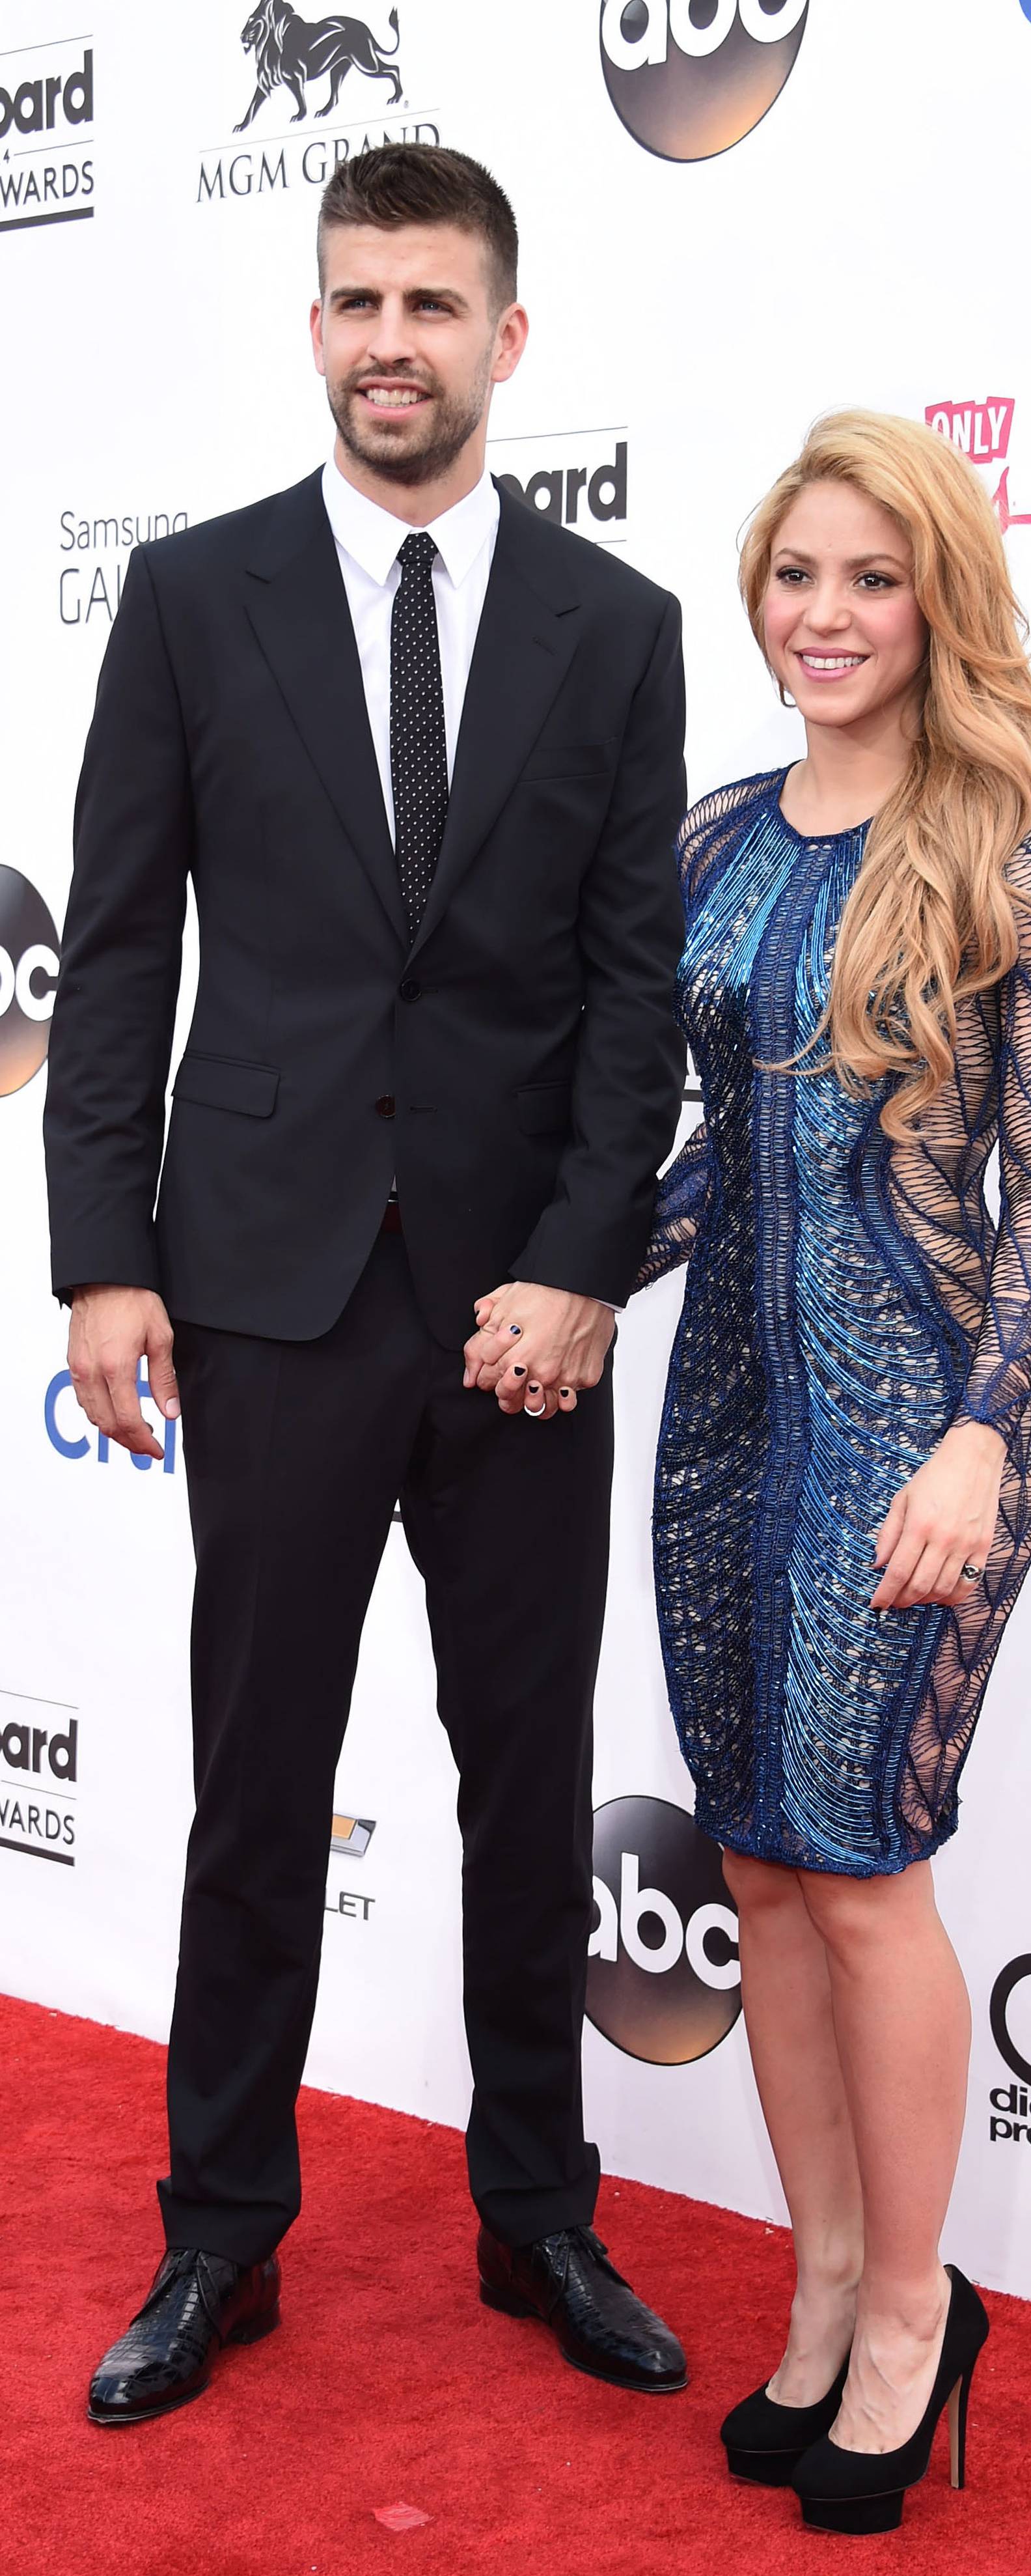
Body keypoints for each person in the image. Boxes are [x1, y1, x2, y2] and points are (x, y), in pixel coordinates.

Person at [45, 143, 690, 2425]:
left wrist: (585, 1269)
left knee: (528, 1781)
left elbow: (638, 1000)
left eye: (434, 304)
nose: (392, 342)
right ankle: (219, 2235)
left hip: (523, 1318)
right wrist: (103, 1263)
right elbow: (114, 950)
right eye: (356, 302)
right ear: (314, 330)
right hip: (269, 1294)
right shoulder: (197, 600)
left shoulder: (618, 628)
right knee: (256, 1779)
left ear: (509, 339)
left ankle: (539, 2216)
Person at [632, 410, 1031, 2533]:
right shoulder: (713, 837)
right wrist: (553, 1285)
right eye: (795, 575)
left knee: (863, 1867)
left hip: (915, 1430)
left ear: (939, 601)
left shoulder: (1019, 844)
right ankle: (820, 2280)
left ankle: (918, 2309)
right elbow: (696, 1165)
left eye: (870, 578)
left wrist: (983, 1435)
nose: (823, 615)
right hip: (722, 1422)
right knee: (754, 1868)